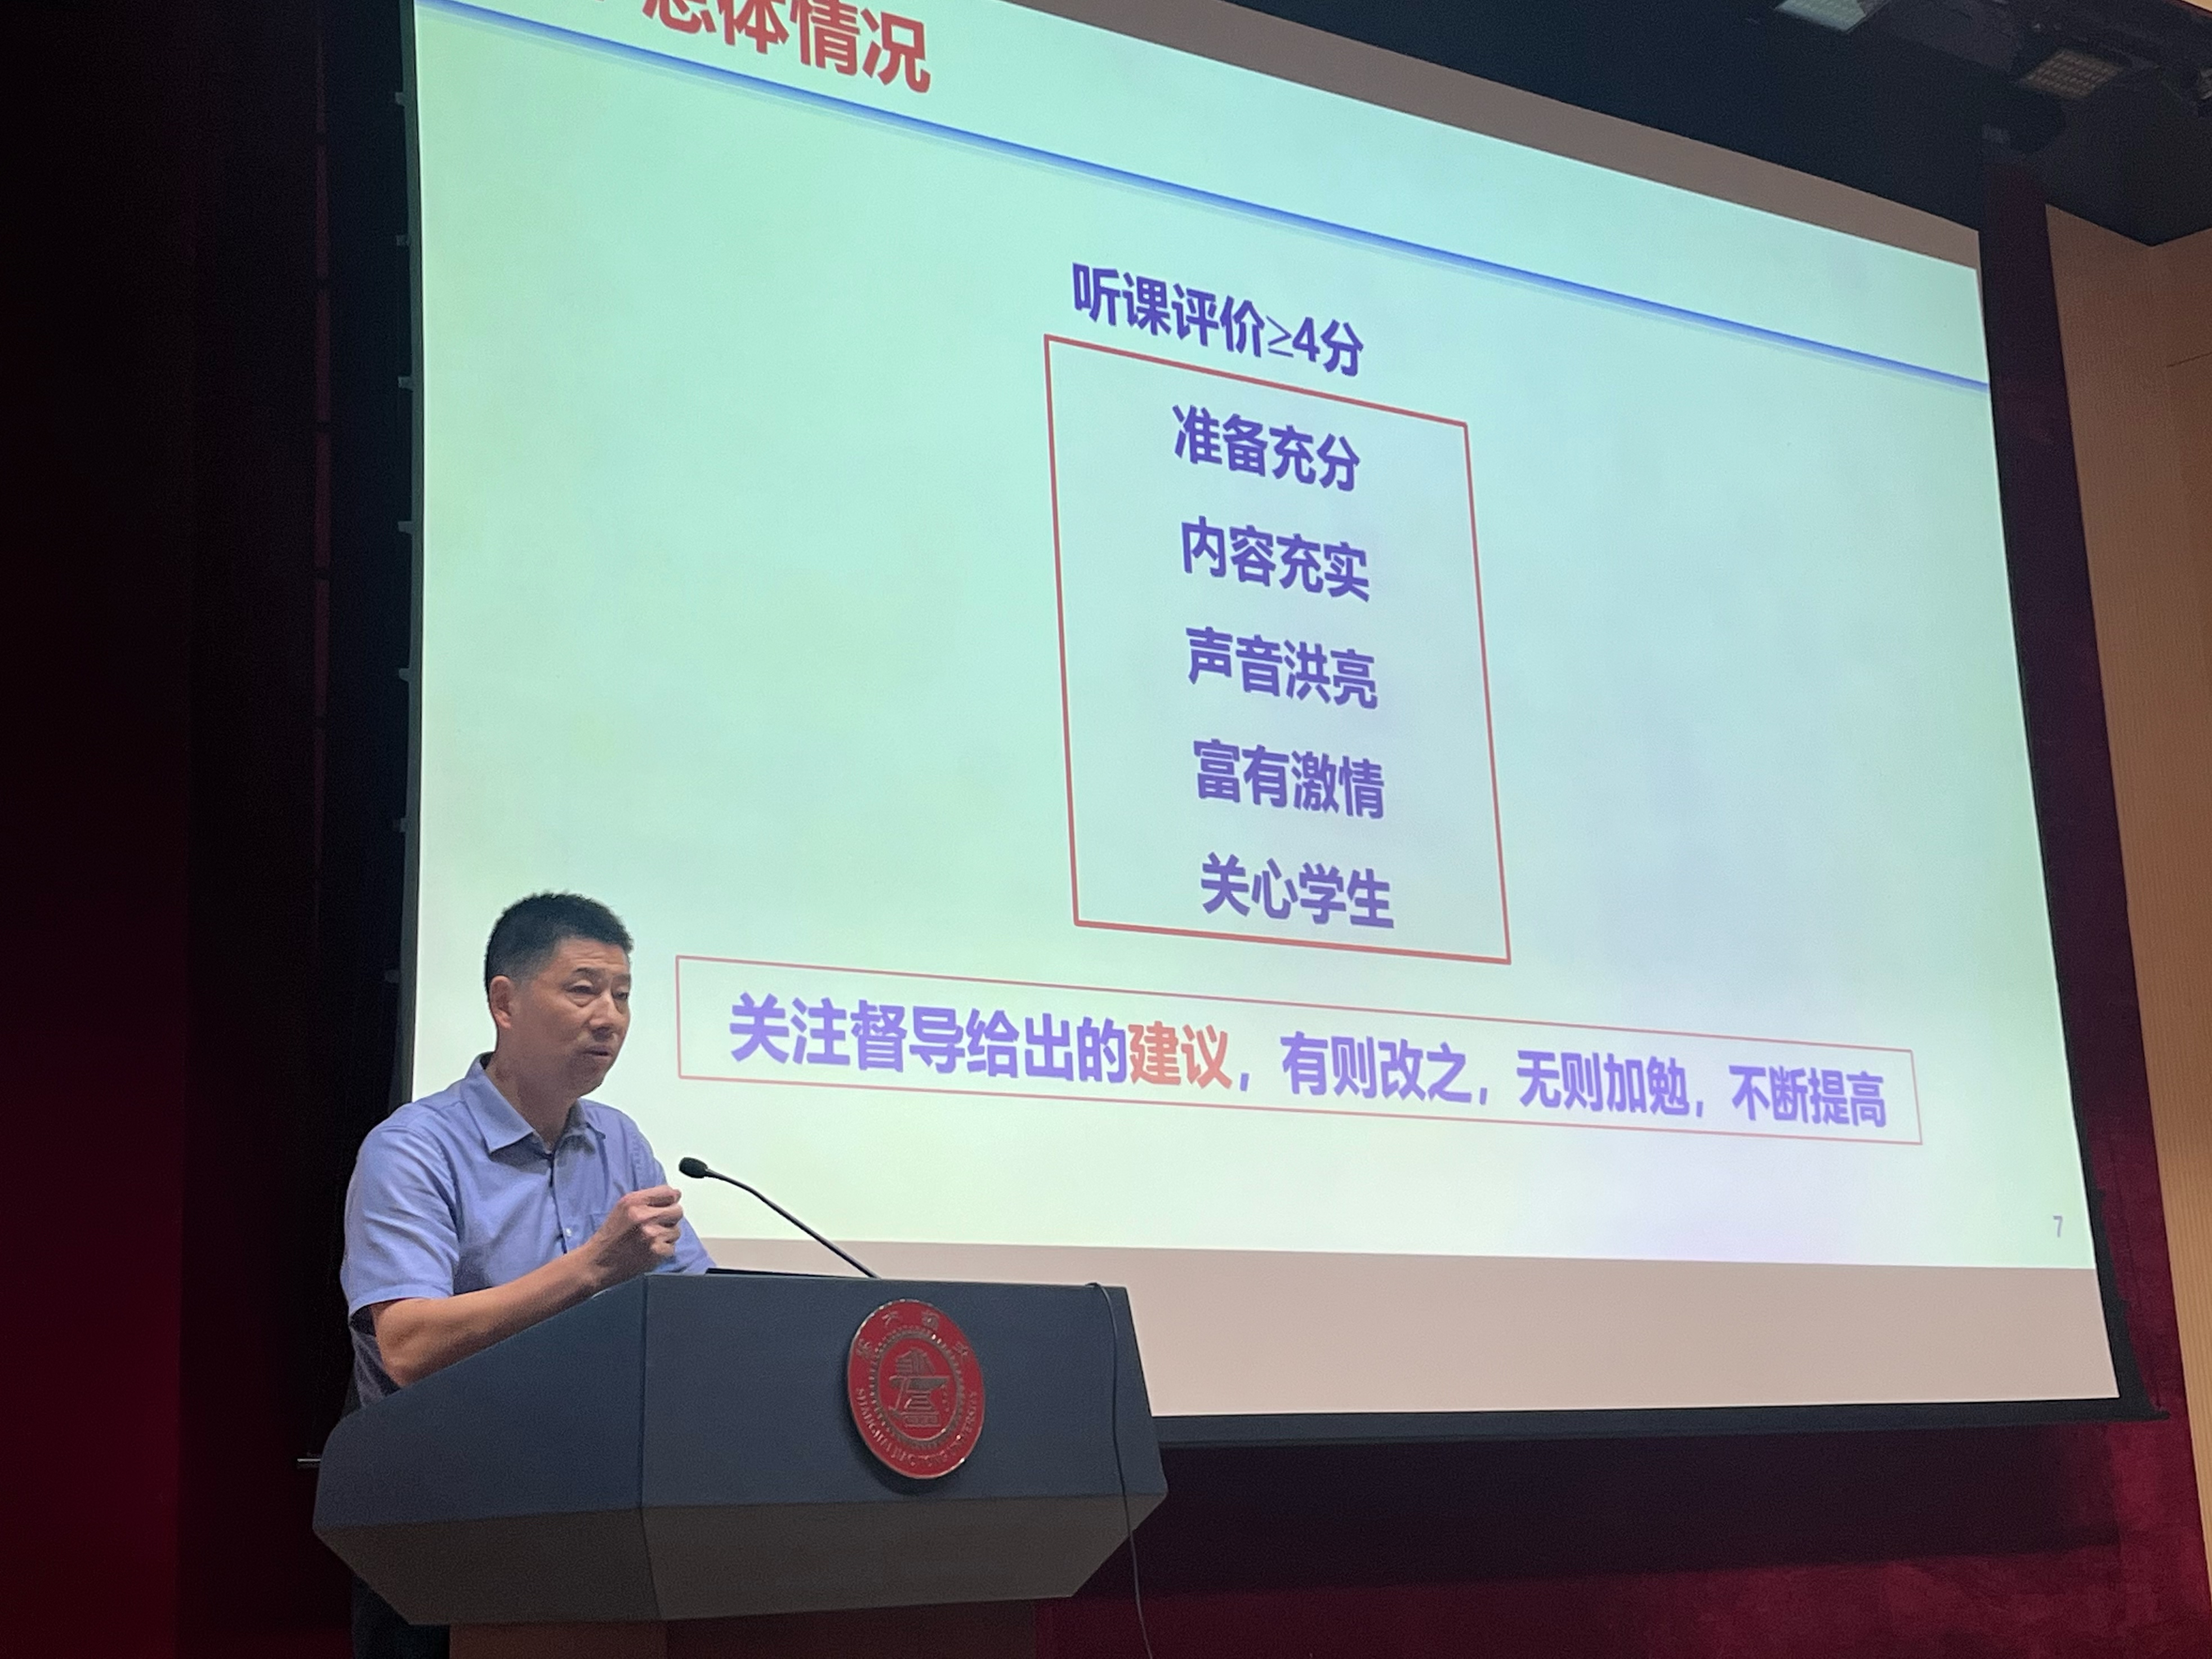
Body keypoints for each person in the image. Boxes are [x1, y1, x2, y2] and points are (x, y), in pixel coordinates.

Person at [338, 892, 711, 1659]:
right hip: (443, 1523)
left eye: (623, 994)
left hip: (601, 1513)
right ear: (504, 1002)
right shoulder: (413, 1149)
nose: (609, 1017)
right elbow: (406, 1345)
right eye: (583, 989)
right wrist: (594, 1266)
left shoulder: (620, 1142)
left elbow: (697, 1310)